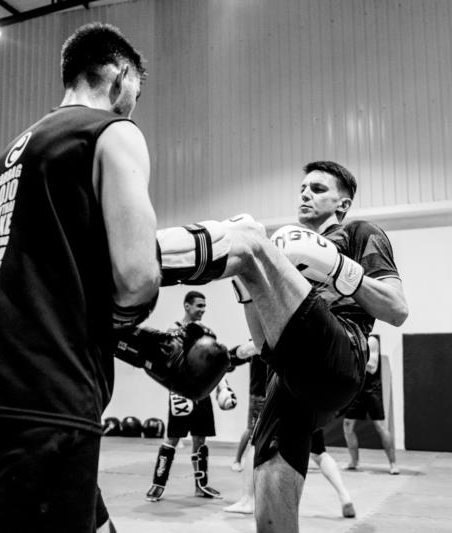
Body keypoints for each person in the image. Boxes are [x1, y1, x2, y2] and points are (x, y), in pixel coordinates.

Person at [0, 22, 163, 533]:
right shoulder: (111, 132)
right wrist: (131, 329)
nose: (134, 104)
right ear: (121, 75)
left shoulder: (13, 153)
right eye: (136, 91)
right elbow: (137, 278)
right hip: (48, 388)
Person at [147, 160, 408, 532]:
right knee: (270, 514)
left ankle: (138, 257)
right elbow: (265, 346)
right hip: (288, 379)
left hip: (341, 355)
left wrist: (337, 267)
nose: (305, 194)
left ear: (343, 204)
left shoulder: (359, 232)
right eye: (302, 188)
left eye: (318, 189)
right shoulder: (287, 258)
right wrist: (247, 289)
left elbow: (397, 309)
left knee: (250, 235)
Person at [145, 291, 232, 501]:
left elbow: (214, 365)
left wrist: (223, 388)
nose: (203, 310)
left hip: (201, 393)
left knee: (200, 438)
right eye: (199, 305)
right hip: (181, 393)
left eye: (204, 306)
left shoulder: (207, 334)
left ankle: (201, 485)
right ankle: (157, 484)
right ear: (187, 306)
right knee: (173, 438)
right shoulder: (173, 331)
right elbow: (165, 364)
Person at [225, 427, 356, 519]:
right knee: (319, 452)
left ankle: (247, 500)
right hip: (311, 406)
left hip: (285, 404)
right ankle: (345, 497)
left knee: (257, 444)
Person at [342, 334, 399, 474]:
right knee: (347, 425)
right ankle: (354, 461)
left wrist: (353, 357)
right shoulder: (350, 339)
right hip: (356, 390)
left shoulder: (371, 340)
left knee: (380, 427)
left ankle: (393, 464)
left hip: (372, 390)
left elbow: (372, 367)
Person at [228, 340, 263, 473]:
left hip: (271, 395)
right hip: (258, 396)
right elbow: (234, 355)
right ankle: (237, 460)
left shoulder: (274, 344)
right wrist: (228, 363)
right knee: (251, 430)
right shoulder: (255, 345)